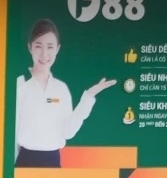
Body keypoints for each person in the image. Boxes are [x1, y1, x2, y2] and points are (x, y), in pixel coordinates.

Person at [14, 19, 116, 167]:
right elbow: (11, 131)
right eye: (38, 46)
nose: (44, 54)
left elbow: (68, 132)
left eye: (50, 47)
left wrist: (89, 97)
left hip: (53, 160)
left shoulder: (61, 89)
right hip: (25, 160)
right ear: (30, 47)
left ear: (57, 49)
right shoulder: (20, 84)